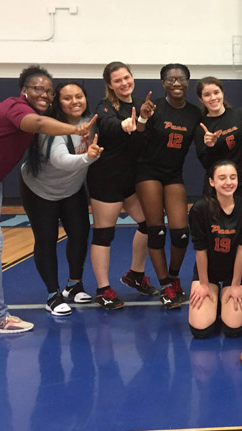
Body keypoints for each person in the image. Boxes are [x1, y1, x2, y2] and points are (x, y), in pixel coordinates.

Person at [0, 65, 96, 334]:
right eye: (37, 89)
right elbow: (40, 124)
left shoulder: (36, 112)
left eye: (48, 91)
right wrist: (76, 130)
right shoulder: (15, 108)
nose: (44, 94)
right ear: (24, 91)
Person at [19, 81, 102, 316]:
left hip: (72, 189)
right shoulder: (51, 128)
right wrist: (88, 157)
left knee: (80, 234)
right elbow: (60, 160)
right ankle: (52, 294)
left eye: (79, 96)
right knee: (46, 239)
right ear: (58, 102)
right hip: (40, 190)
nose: (75, 101)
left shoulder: (92, 123)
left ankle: (74, 285)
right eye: (67, 98)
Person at [90, 61, 157, 310]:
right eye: (117, 80)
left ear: (132, 78)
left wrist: (141, 121)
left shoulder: (142, 105)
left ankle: (135, 275)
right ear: (110, 84)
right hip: (106, 178)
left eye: (126, 77)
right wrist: (123, 125)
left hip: (131, 179)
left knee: (150, 224)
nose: (124, 83)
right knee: (104, 233)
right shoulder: (105, 106)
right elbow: (107, 125)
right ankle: (103, 289)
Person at [136, 63, 202, 309]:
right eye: (170, 79)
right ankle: (164, 284)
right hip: (148, 172)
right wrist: (142, 117)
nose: (176, 83)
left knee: (181, 233)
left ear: (188, 82)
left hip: (173, 174)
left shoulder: (195, 113)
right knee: (157, 231)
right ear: (163, 83)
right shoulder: (154, 109)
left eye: (181, 79)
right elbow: (137, 135)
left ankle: (173, 277)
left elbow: (208, 137)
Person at [188, 160, 242, 339]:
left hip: (233, 271)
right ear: (212, 182)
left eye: (233, 177)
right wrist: (203, 284)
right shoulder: (199, 209)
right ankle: (215, 300)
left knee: (234, 331)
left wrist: (235, 284)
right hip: (208, 271)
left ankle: (224, 294)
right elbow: (200, 249)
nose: (228, 182)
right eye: (222, 178)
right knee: (200, 331)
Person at [193, 77, 242, 200]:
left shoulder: (239, 114)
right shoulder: (201, 128)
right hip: (217, 186)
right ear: (201, 99)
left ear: (222, 93)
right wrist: (210, 146)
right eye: (207, 95)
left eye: (216, 92)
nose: (213, 98)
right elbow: (206, 164)